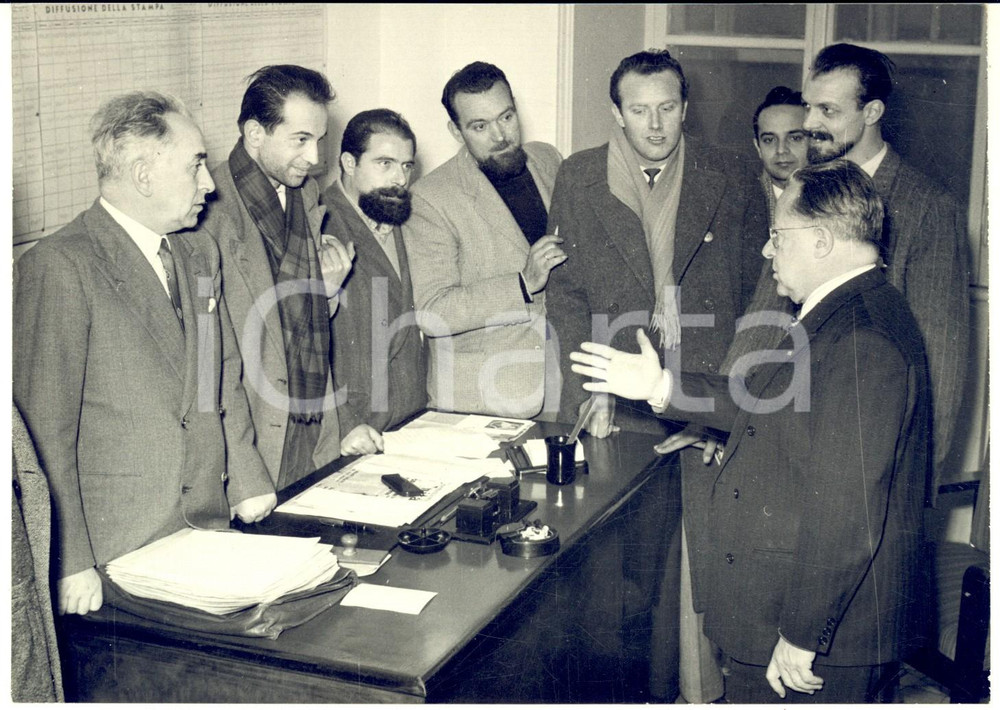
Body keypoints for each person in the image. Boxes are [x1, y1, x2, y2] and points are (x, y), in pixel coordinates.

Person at [570, 159, 931, 703]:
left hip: (817, 638)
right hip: (791, 616)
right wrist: (659, 384)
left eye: (776, 236)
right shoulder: (839, 313)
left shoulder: (862, 339)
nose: (767, 251)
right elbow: (761, 398)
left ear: (822, 240)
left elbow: (847, 510)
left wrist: (802, 634)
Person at [545, 49, 768, 701]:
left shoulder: (729, 173)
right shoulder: (580, 175)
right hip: (615, 398)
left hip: (706, 393)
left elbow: (760, 295)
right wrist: (590, 385)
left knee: (701, 564)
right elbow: (564, 296)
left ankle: (696, 694)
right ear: (616, 113)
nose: (655, 124)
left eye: (667, 108)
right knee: (618, 568)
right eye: (638, 110)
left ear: (686, 108)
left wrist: (723, 410)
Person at [13, 91, 276, 616]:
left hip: (203, 523)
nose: (209, 183)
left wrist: (246, 478)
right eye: (196, 165)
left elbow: (220, 373)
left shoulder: (198, 248)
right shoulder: (60, 266)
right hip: (117, 548)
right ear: (143, 174)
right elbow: (44, 431)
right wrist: (68, 559)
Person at [196, 65, 353, 490]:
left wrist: (330, 292)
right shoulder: (206, 212)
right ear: (254, 134)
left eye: (319, 140)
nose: (316, 158)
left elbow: (303, 311)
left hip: (312, 419)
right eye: (300, 140)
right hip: (250, 441)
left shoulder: (306, 190)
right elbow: (207, 366)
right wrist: (245, 478)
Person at [402, 61, 564, 418]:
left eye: (506, 117)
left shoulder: (547, 159)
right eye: (480, 126)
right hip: (482, 400)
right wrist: (523, 284)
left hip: (559, 387)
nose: (500, 136)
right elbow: (432, 310)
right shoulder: (430, 198)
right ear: (457, 132)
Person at [323, 109, 427, 455]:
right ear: (349, 163)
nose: (400, 178)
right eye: (385, 163)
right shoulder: (320, 224)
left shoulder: (397, 215)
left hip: (408, 420)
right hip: (354, 429)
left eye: (407, 166)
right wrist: (344, 421)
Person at [753, 86, 809, 220]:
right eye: (769, 140)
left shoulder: (840, 201)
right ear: (758, 147)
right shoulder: (743, 202)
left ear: (813, 141)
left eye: (795, 138)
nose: (781, 150)